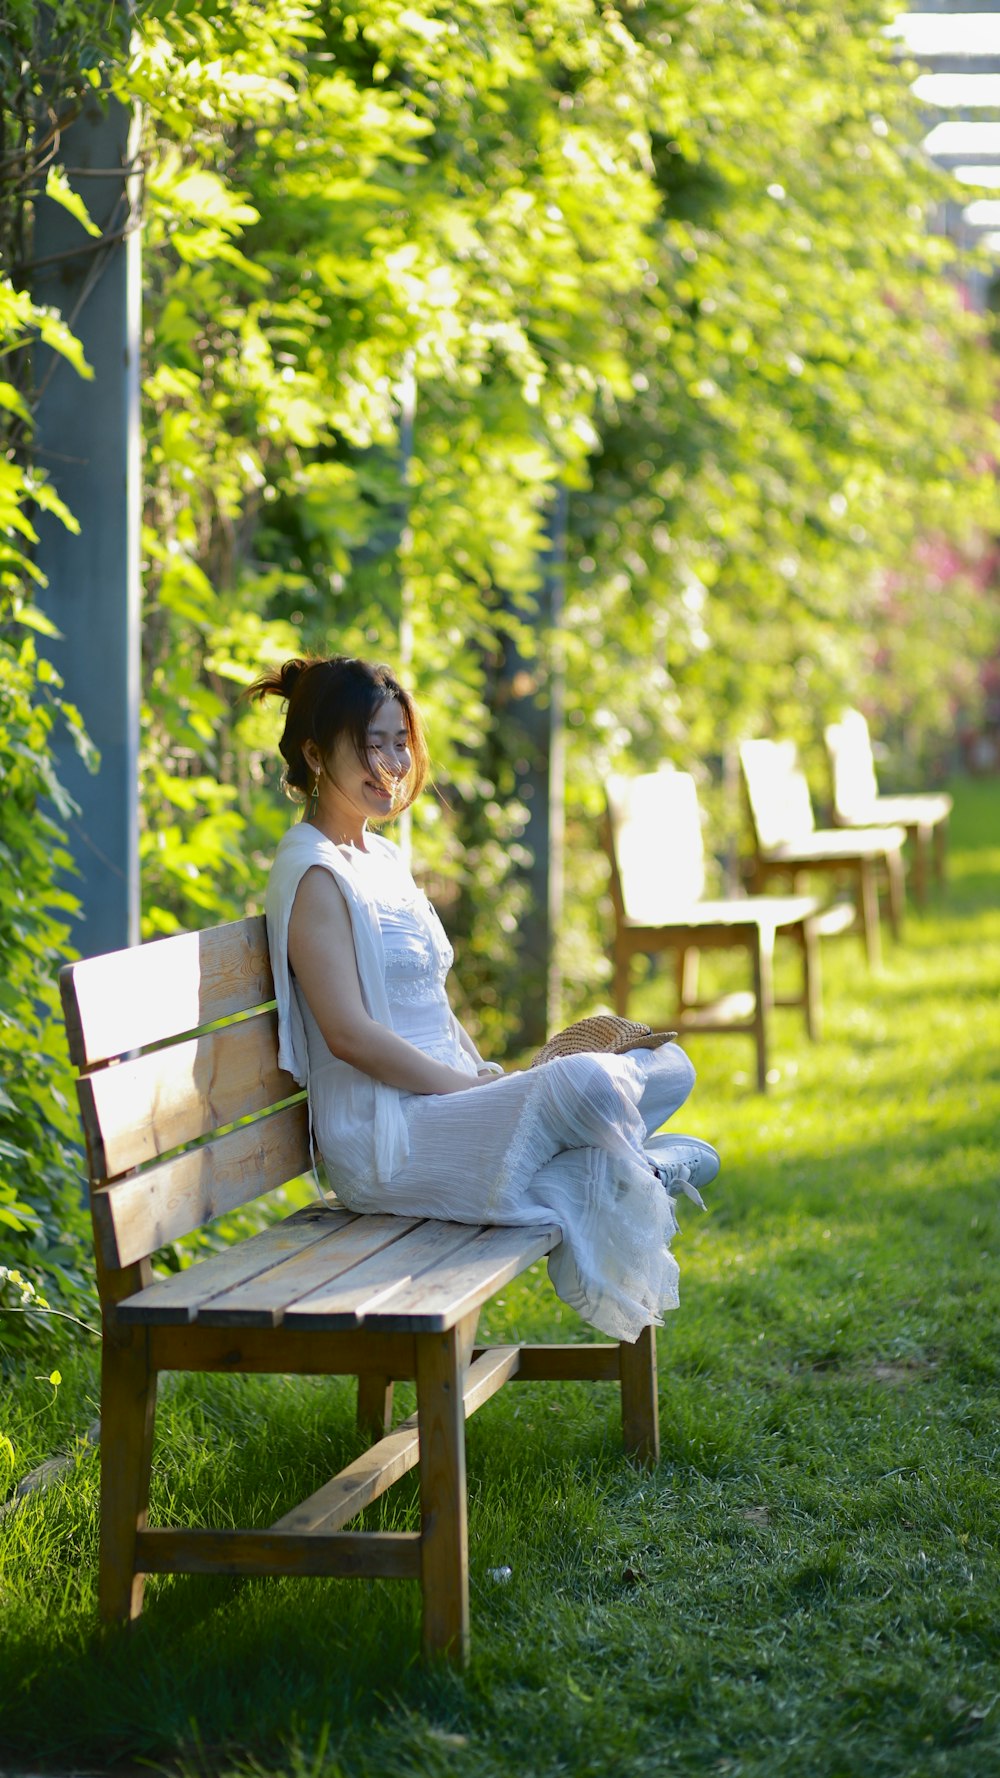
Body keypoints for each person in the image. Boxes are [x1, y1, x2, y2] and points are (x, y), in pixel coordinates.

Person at [250, 654, 719, 1343]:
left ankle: (597, 1169)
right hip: (390, 1142)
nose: (392, 761)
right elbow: (347, 1034)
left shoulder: (380, 859)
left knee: (672, 1064)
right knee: (590, 1084)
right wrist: (466, 1091)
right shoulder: (314, 872)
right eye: (370, 744)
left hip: (447, 1104)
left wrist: (489, 1080)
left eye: (399, 741)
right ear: (318, 754)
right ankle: (622, 1167)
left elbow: (429, 1009)